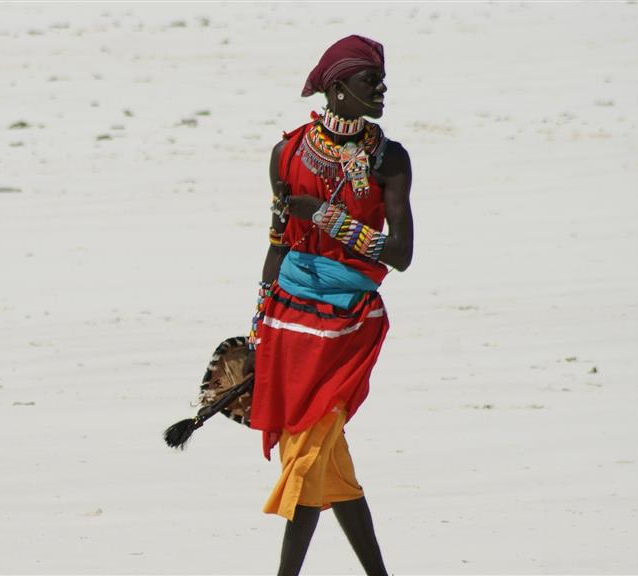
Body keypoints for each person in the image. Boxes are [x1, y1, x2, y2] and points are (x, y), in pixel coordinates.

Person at [245, 35, 414, 576]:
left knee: (307, 454)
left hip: (348, 325)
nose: (382, 90)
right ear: (338, 89)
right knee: (327, 460)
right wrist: (257, 330)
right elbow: (276, 244)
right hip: (288, 319)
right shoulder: (287, 153)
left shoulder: (390, 160)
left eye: (382, 80)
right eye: (371, 82)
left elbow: (401, 255)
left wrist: (324, 215)